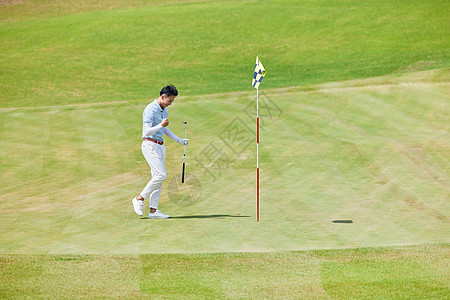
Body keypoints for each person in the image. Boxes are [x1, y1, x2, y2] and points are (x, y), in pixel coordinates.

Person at [132, 85, 189, 218]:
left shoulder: (163, 109)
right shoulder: (151, 109)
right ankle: (139, 199)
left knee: (157, 178)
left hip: (160, 146)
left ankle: (153, 211)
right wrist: (160, 125)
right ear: (163, 97)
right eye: (170, 100)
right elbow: (147, 131)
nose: (170, 103)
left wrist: (178, 140)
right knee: (161, 175)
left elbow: (163, 129)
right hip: (150, 145)